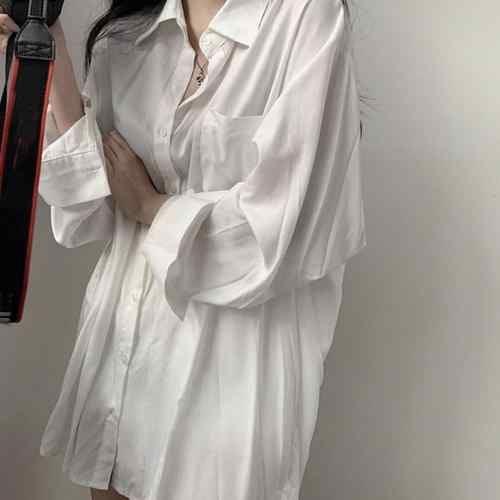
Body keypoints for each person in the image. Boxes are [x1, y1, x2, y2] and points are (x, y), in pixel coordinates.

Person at [1, 0, 367, 498]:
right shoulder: (131, 29)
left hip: (229, 378)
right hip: (123, 361)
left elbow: (291, 229)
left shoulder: (304, 17)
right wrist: (50, 44)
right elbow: (93, 206)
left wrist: (154, 207)